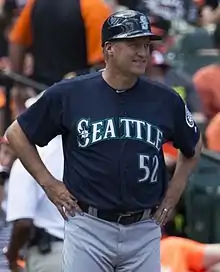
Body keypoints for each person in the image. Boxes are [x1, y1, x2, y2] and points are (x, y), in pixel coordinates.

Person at [6, 10, 202, 272]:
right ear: (109, 48)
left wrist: (172, 196)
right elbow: (16, 134)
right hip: (90, 225)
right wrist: (49, 184)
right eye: (133, 44)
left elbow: (193, 146)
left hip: (144, 227)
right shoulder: (71, 93)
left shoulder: (166, 99)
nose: (143, 52)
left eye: (145, 45)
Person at [8, 0, 111, 115]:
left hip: (41, 93)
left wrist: (18, 84)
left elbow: (17, 42)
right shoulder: (93, 6)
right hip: (77, 97)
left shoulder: (35, 3)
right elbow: (102, 63)